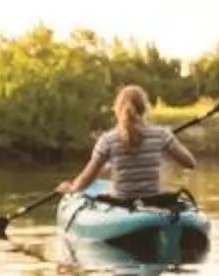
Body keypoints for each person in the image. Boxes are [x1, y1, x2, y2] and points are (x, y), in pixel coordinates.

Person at [60, 84, 196, 202]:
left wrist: (72, 189)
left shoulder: (107, 140)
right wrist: (168, 143)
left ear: (117, 109)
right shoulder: (161, 135)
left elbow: (87, 177)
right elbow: (190, 163)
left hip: (121, 204)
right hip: (153, 203)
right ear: (145, 109)